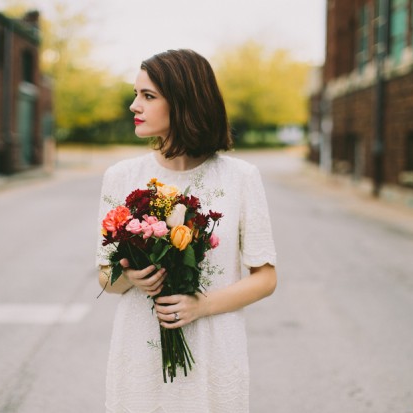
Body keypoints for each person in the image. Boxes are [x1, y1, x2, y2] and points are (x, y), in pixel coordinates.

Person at [96, 49, 277, 413]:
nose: (134, 106)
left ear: (184, 103)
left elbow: (266, 277)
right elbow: (105, 278)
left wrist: (202, 305)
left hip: (213, 349)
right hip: (139, 349)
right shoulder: (121, 177)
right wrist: (132, 275)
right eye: (136, 94)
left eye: (148, 96)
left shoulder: (240, 178)